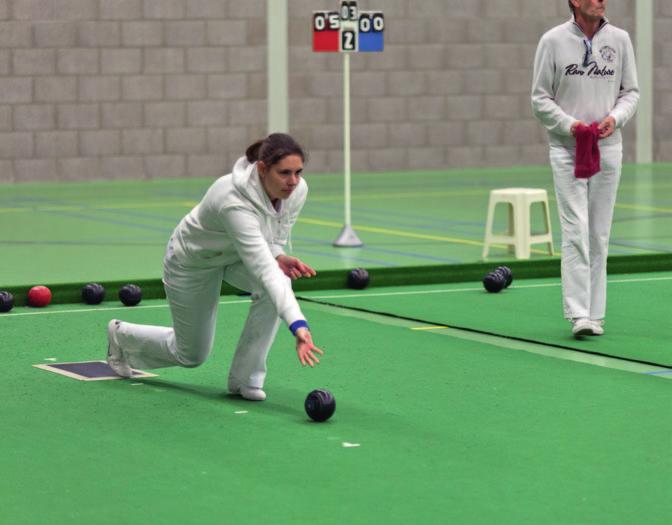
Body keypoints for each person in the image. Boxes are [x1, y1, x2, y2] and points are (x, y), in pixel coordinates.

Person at [106, 133, 323, 400]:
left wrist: (277, 254)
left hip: (234, 257)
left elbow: (274, 237)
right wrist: (298, 325)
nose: (293, 182)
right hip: (193, 262)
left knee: (278, 282)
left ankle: (246, 379)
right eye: (284, 173)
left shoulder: (297, 191)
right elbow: (263, 269)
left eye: (298, 172)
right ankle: (120, 336)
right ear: (263, 169)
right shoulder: (232, 200)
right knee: (190, 355)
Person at [531, 0, 639, 337]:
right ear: (575, 1)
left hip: (608, 149)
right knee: (575, 229)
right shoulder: (552, 41)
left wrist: (615, 118)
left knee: (599, 233)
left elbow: (631, 92)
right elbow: (539, 98)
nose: (600, 0)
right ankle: (579, 314)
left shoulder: (620, 39)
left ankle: (596, 314)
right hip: (567, 150)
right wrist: (570, 125)